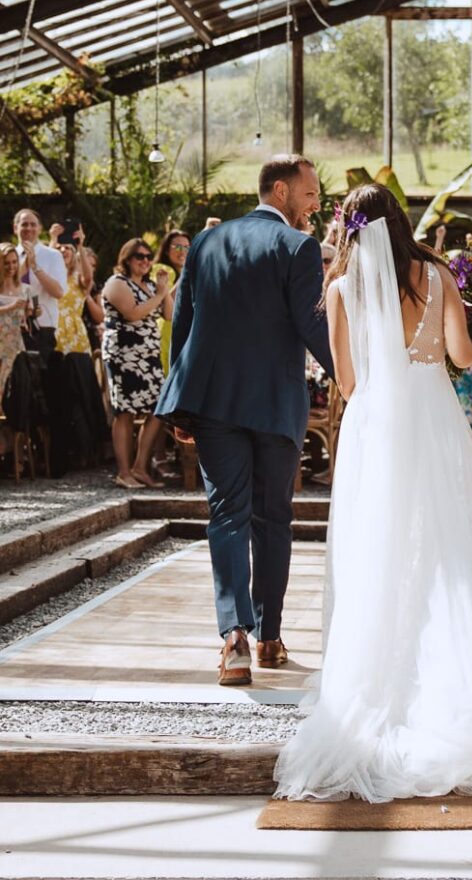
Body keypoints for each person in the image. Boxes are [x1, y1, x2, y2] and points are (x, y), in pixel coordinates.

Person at [273, 184, 472, 803]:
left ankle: (376, 682)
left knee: (376, 552)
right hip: (432, 418)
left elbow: (346, 381)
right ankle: (456, 684)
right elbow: (459, 353)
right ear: (402, 222)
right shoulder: (434, 274)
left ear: (352, 230)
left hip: (375, 427)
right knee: (444, 550)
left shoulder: (340, 287)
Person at [155, 154, 333, 686]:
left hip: (211, 402)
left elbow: (184, 322)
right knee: (272, 517)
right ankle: (270, 637)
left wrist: (180, 401)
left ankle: (234, 638)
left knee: (226, 514)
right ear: (279, 190)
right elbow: (312, 326)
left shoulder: (207, 242)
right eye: (309, 194)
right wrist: (357, 376)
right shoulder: (298, 247)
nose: (315, 204)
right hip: (275, 402)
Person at [102, 239, 172, 489]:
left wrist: (165, 289)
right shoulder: (116, 283)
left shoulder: (151, 286)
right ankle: (123, 471)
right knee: (125, 412)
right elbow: (133, 314)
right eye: (138, 256)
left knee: (159, 408)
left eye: (148, 256)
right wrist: (161, 294)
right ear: (127, 259)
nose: (144, 261)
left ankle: (140, 466)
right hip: (124, 355)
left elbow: (169, 314)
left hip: (148, 357)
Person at [13, 209, 66, 361]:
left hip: (43, 327)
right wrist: (24, 265)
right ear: (15, 228)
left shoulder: (53, 256)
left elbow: (58, 292)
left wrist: (35, 266)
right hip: (12, 326)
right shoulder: (6, 255)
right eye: (24, 224)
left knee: (41, 379)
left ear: (40, 228)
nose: (28, 228)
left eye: (33, 224)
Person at [152, 230, 191, 374]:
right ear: (167, 250)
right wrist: (187, 271)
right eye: (178, 246)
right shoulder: (160, 270)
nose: (183, 251)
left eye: (187, 247)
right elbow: (166, 305)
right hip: (165, 332)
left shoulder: (189, 273)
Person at [0, 242, 32, 404]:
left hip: (15, 343)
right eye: (6, 263)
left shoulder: (24, 288)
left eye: (14, 262)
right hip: (1, 340)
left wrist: (31, 312)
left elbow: (26, 315)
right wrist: (10, 306)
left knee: (15, 384)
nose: (11, 266)